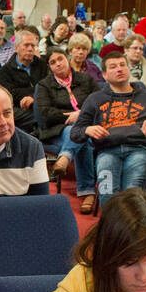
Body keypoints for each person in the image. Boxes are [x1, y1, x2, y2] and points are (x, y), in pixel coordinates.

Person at [70, 45, 146, 208]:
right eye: (113, 67)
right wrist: (88, 129)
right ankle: (111, 229)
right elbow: (75, 133)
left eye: (123, 65)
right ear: (105, 75)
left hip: (139, 149)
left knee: (132, 191)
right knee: (107, 193)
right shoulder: (95, 99)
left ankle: (131, 231)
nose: (119, 69)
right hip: (107, 151)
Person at [35, 48, 97, 213]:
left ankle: (65, 158)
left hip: (88, 125)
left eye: (60, 59)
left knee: (81, 135)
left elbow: (99, 103)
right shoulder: (44, 85)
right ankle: (87, 191)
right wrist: (68, 117)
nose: (58, 64)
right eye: (53, 62)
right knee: (79, 134)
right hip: (57, 131)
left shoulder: (85, 79)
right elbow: (45, 113)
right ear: (49, 67)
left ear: (67, 59)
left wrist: (81, 115)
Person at [0, 26, 48, 133]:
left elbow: (47, 87)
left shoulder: (42, 65)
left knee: (46, 112)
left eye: (33, 46)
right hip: (18, 109)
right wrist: (33, 94)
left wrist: (33, 98)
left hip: (40, 104)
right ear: (16, 47)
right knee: (39, 116)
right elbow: (11, 95)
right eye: (26, 45)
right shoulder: (6, 70)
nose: (30, 49)